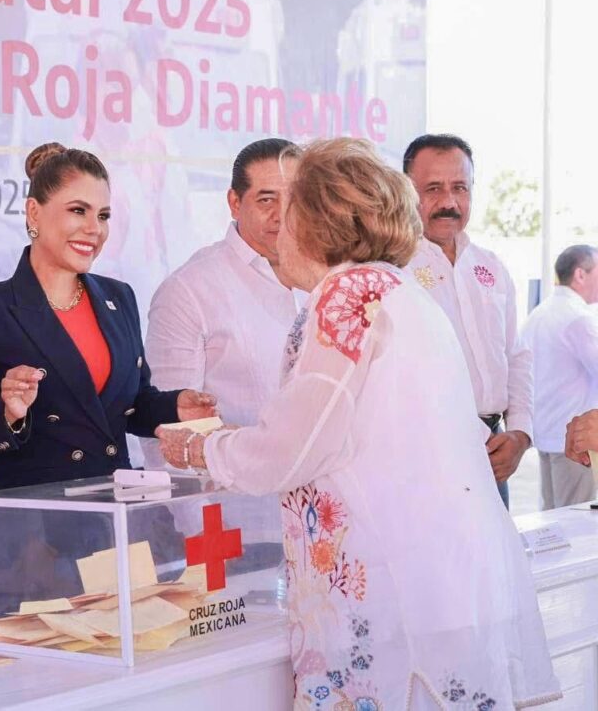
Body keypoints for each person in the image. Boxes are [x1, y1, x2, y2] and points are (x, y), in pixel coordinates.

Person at [157, 138, 559, 708]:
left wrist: (200, 450)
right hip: (437, 580)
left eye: (289, 210)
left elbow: (294, 446)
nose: (278, 231)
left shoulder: (347, 295)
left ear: (317, 220)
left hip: (395, 591)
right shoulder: (396, 289)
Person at [0, 142, 216, 491]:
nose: (94, 228)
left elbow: (131, 406)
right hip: (35, 515)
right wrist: (9, 413)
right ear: (34, 213)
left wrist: (176, 407)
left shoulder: (119, 297)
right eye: (78, 210)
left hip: (115, 504)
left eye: (103, 216)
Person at [144, 138, 302, 463]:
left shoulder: (327, 278)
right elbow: (169, 433)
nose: (282, 214)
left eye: (294, 199)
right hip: (238, 494)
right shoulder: (188, 291)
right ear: (234, 202)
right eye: (267, 199)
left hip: (325, 491)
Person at [403, 133, 532, 509]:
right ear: (406, 191)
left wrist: (520, 434)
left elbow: (516, 355)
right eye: (433, 189)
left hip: (494, 455)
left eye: (460, 187)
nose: (449, 202)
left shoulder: (490, 267)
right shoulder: (394, 269)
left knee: (497, 549)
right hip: (425, 453)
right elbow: (406, 376)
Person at [523, 245, 598, 507]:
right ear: (580, 274)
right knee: (575, 519)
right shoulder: (578, 319)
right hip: (576, 442)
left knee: (553, 516)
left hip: (547, 432)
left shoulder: (540, 313)